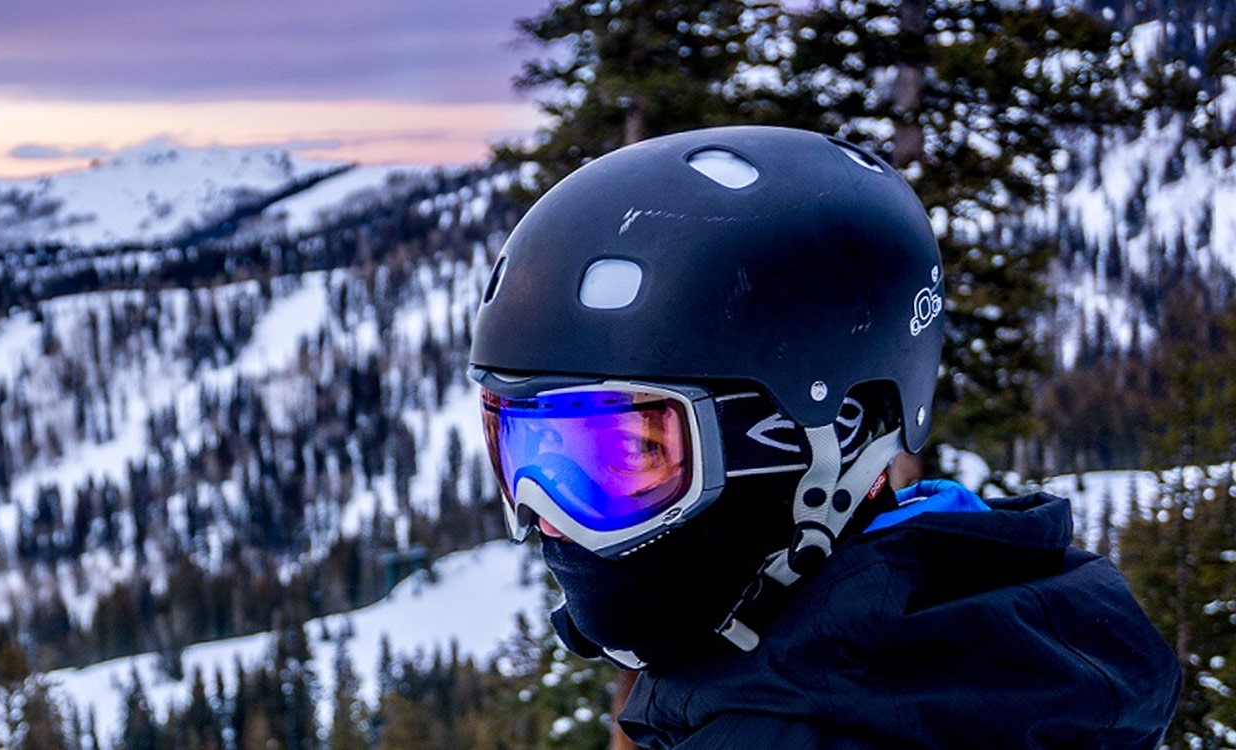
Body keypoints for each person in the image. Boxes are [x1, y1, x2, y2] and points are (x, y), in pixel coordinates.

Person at [469, 126, 1181, 748]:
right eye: (526, 455)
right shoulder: (1020, 656)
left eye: (630, 452)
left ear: (833, 441)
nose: (549, 520)